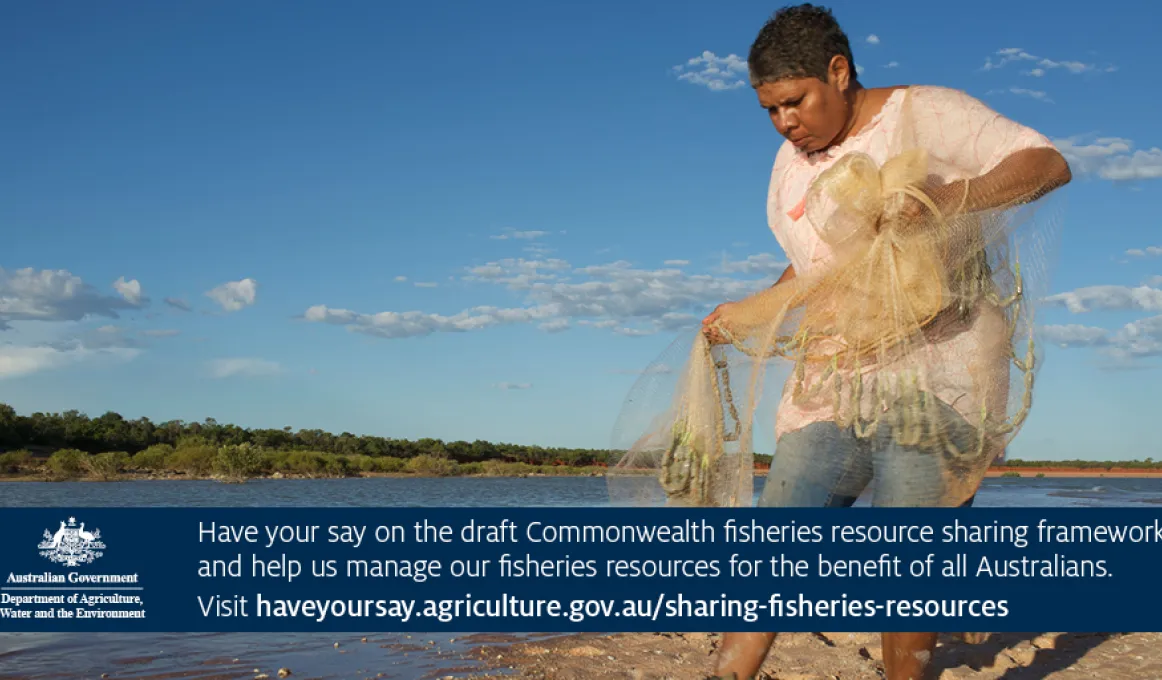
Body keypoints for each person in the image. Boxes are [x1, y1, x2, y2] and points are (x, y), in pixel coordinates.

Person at [699, 5, 1071, 680]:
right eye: (770, 110)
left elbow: (1046, 163)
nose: (785, 122)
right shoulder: (789, 166)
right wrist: (753, 311)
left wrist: (946, 200)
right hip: (834, 381)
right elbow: (817, 266)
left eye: (795, 102)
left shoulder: (925, 112)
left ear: (838, 72)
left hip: (940, 377)